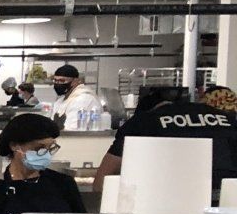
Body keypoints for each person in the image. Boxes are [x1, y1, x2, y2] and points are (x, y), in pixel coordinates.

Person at [93, 85, 237, 206]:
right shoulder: (228, 120)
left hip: (163, 204)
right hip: (227, 202)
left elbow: (104, 177)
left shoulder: (143, 122)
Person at [0, 112, 85, 214]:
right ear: (14, 146)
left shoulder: (64, 184)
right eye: (39, 148)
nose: (46, 154)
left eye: (50, 148)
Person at [50, 63, 108, 129]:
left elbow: (72, 129)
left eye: (62, 81)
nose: (58, 84)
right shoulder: (61, 100)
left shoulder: (84, 99)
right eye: (55, 80)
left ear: (75, 81)